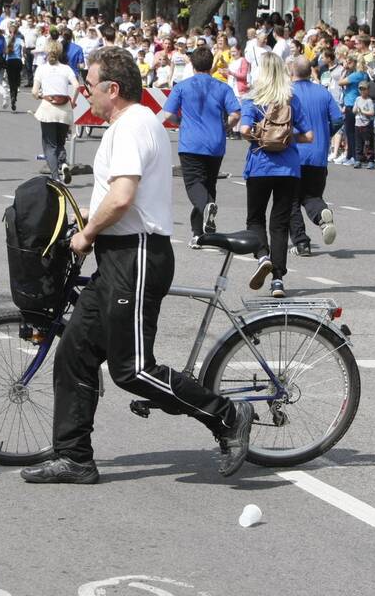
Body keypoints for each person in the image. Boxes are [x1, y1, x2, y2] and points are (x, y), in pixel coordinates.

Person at [19, 47, 254, 485]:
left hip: (137, 254)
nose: (84, 91)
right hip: (120, 253)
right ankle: (74, 458)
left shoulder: (131, 127)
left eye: (89, 84)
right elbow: (117, 198)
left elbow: (123, 196)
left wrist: (86, 234)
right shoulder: (129, 125)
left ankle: (226, 416)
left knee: (133, 369)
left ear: (113, 88)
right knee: (75, 351)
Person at [238, 53, 314, 298]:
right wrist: (285, 138)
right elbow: (309, 136)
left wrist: (262, 138)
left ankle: (262, 257)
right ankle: (278, 280)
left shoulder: (253, 98)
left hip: (260, 165)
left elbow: (245, 130)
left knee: (255, 218)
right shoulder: (290, 99)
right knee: (279, 224)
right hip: (288, 168)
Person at [161, 46, 242, 248]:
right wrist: (225, 127)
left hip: (191, 142)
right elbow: (236, 115)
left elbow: (167, 115)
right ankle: (199, 234)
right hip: (215, 143)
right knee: (208, 185)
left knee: (194, 184)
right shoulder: (223, 87)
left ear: (192, 64)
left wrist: (180, 122)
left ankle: (207, 208)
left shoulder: (182, 86)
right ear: (211, 65)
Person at [288, 57, 339, 256]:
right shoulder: (323, 92)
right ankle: (321, 216)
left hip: (294, 152)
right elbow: (337, 118)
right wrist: (327, 135)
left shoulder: (288, 92)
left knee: (290, 200)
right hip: (318, 154)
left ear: (292, 71)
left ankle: (301, 243)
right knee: (312, 196)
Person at [31, 39, 79, 182]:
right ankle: (63, 164)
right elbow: (77, 85)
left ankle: (55, 176)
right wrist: (73, 101)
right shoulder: (66, 68)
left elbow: (34, 91)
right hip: (64, 109)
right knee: (60, 142)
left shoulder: (41, 69)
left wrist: (38, 95)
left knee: (50, 145)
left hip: (48, 108)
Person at [353, 82, 375, 168]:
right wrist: (355, 110)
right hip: (358, 124)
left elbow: (372, 112)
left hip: (366, 125)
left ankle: (370, 160)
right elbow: (354, 110)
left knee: (368, 143)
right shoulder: (358, 99)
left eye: (364, 89)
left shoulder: (369, 101)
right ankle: (358, 160)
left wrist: (363, 111)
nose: (362, 91)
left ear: (368, 90)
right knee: (358, 143)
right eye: (360, 89)